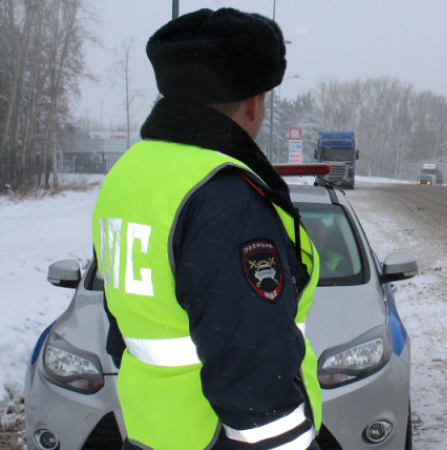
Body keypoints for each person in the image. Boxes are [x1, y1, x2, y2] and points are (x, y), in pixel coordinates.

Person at [91, 8, 321, 450]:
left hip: (152, 430)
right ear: (253, 103)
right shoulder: (225, 198)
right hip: (215, 437)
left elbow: (122, 318)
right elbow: (253, 373)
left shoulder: (131, 173)